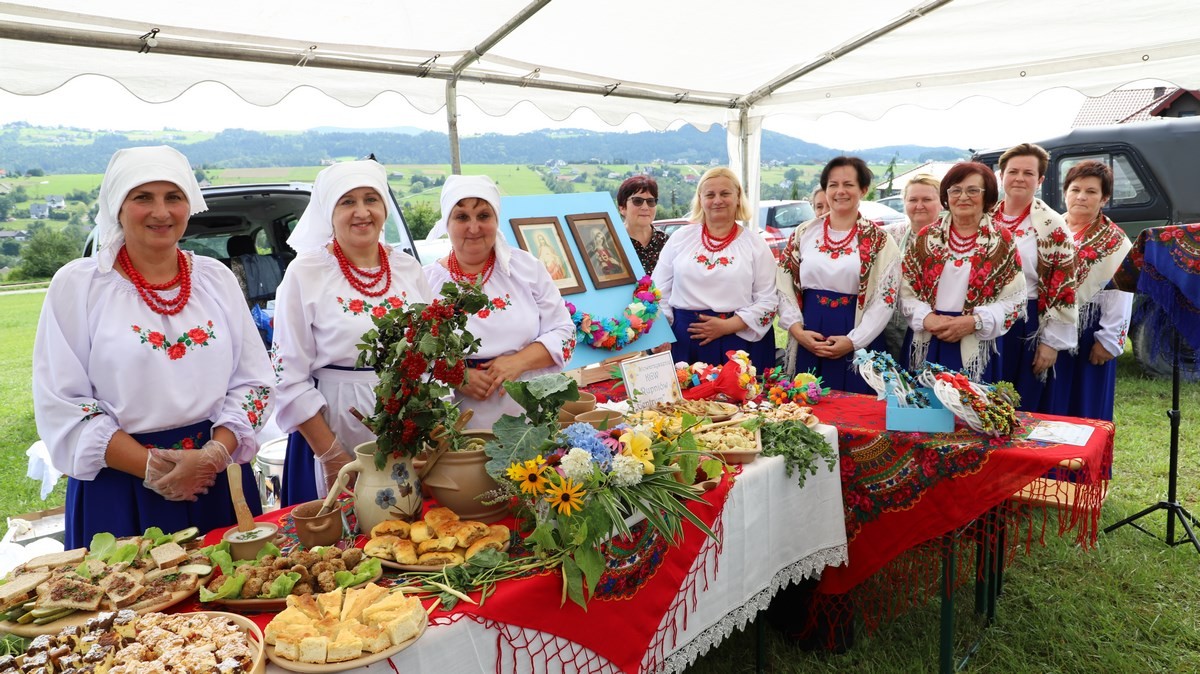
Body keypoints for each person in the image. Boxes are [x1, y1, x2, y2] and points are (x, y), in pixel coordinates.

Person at [33, 146, 273, 548]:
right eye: (143, 197)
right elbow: (63, 401)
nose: (161, 212)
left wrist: (214, 454)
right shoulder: (79, 286)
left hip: (213, 478)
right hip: (121, 485)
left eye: (173, 197)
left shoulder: (215, 279)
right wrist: (152, 467)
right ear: (117, 206)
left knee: (235, 583)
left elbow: (254, 380)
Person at [273, 160, 433, 506]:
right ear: (329, 213)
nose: (362, 212)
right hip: (331, 430)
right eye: (347, 202)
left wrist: (426, 430)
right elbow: (288, 376)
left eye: (371, 199)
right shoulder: (305, 273)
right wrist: (332, 456)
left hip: (404, 431)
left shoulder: (407, 268)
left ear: (384, 208)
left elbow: (427, 356)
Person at [424, 175, 576, 429]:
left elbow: (565, 334)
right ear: (446, 223)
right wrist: (455, 374)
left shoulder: (526, 269)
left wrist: (518, 362)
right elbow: (412, 355)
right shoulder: (427, 282)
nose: (474, 228)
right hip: (457, 423)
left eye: (483, 216)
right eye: (462, 217)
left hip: (528, 417)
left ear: (496, 220)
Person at [777, 156, 900, 393]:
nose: (840, 191)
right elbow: (783, 283)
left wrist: (854, 341)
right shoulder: (804, 233)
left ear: (863, 190)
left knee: (855, 406)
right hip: (809, 330)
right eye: (833, 185)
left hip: (858, 333)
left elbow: (885, 299)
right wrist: (796, 330)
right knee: (806, 403)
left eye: (848, 184)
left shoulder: (880, 241)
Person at [899, 162, 1026, 381]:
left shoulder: (1002, 240)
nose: (963, 197)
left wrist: (975, 322)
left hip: (975, 341)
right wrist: (926, 318)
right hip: (929, 337)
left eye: (973, 190)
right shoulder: (926, 237)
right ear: (946, 196)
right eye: (956, 190)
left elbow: (1015, 300)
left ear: (987, 196)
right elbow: (904, 290)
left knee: (970, 401)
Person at [652, 167, 778, 374]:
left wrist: (728, 326)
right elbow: (658, 291)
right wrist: (660, 333)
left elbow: (769, 300)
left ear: (738, 198)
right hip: (685, 341)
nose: (717, 200)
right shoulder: (680, 238)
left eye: (725, 193)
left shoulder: (755, 244)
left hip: (738, 342)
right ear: (700, 200)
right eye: (710, 195)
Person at [991, 143, 1078, 408]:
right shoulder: (984, 217)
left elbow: (1063, 287)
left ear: (1039, 180)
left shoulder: (1053, 226)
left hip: (1025, 323)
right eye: (1013, 171)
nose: (1019, 178)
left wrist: (1051, 342)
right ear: (1001, 175)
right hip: (982, 318)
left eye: (1028, 173)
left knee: (1019, 401)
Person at [1045, 161, 1133, 420]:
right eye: (1075, 189)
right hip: (1046, 328)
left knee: (1082, 407)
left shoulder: (1115, 242)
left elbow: (1121, 294)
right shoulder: (1050, 228)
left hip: (1088, 333)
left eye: (1091, 191)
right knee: (1047, 404)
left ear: (1104, 198)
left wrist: (1108, 340)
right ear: (1065, 193)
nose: (1081, 197)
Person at [882, 175, 941, 360]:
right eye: (913, 200)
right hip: (887, 326)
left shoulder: (951, 237)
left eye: (927, 199)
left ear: (941, 203)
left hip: (931, 327)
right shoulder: (888, 235)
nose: (919, 205)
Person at [617, 175, 669, 272]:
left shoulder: (666, 242)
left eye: (651, 201)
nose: (645, 207)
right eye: (637, 201)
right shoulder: (612, 242)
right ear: (622, 208)